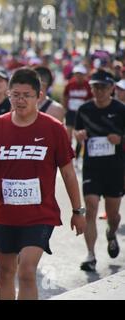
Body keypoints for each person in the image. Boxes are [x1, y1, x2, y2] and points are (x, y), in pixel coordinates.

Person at [0, 68, 86, 300]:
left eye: (27, 95)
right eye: (15, 95)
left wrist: (77, 210)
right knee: (5, 272)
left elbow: (68, 172)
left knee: (26, 271)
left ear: (39, 96)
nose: (20, 100)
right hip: (3, 214)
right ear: (9, 95)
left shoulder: (53, 128)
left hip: (39, 215)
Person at [75, 69, 125, 272]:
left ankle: (111, 233)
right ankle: (90, 255)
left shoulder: (121, 110)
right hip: (92, 168)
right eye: (95, 87)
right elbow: (77, 132)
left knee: (113, 215)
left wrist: (120, 140)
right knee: (91, 207)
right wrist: (79, 136)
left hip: (115, 169)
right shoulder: (84, 109)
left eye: (103, 87)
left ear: (112, 88)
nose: (99, 91)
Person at [63, 64, 92, 158]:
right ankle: (68, 154)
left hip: (82, 114)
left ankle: (78, 155)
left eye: (80, 74)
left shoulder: (88, 85)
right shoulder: (70, 84)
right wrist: (65, 108)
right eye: (76, 74)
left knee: (80, 135)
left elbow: (91, 99)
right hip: (71, 112)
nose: (78, 76)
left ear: (84, 75)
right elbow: (65, 96)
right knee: (68, 134)